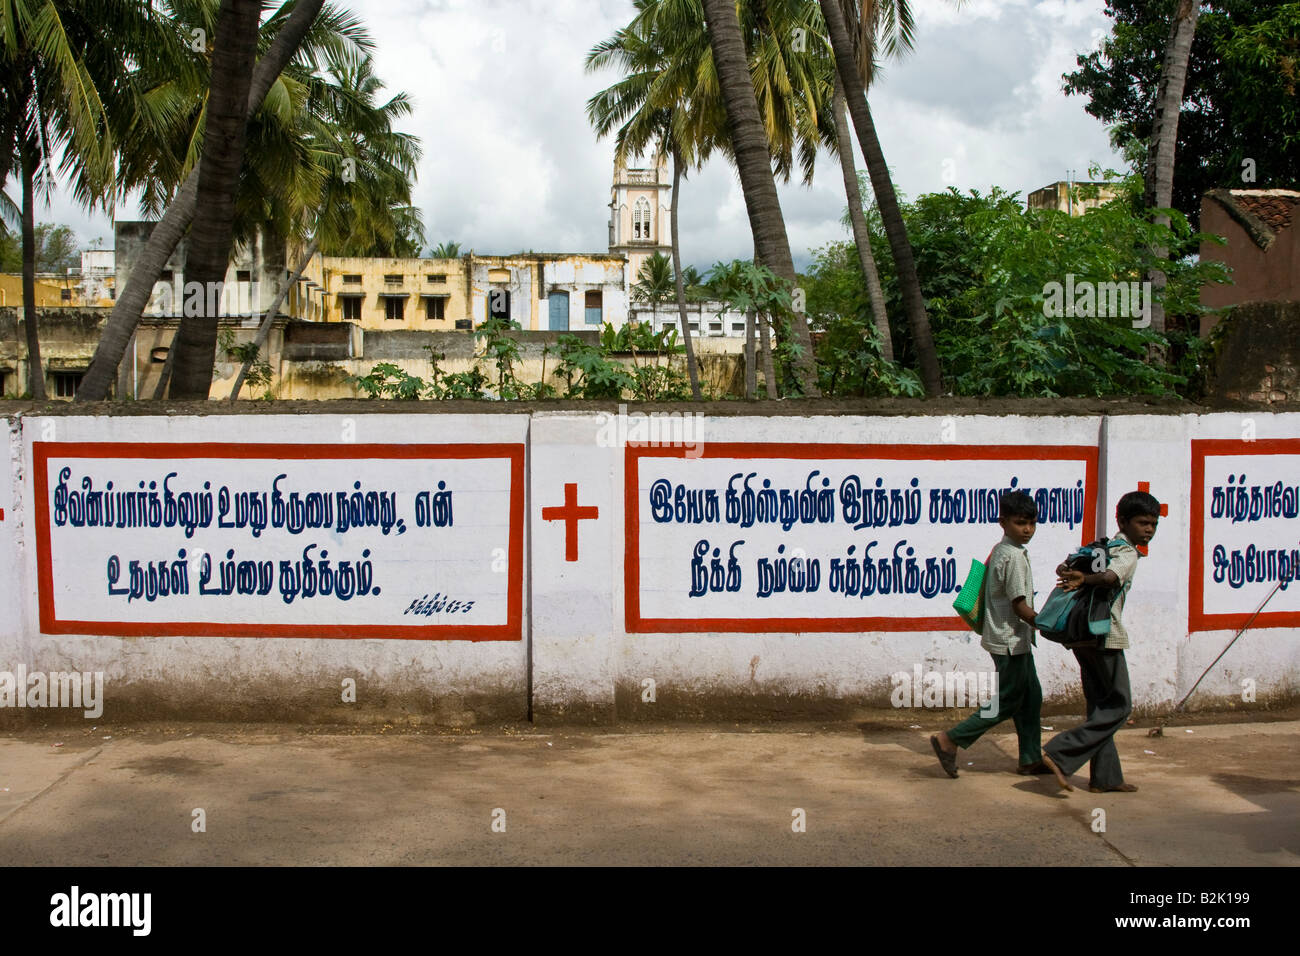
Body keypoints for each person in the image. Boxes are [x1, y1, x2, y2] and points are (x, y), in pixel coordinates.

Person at [1040, 490, 1160, 794]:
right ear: (1123, 521)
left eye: (1153, 524)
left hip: (1082, 637)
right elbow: (1109, 578)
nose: (1149, 529)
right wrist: (1086, 580)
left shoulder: (1100, 546)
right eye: (1143, 522)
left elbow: (1062, 567)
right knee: (1119, 706)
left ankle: (1105, 777)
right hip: (1106, 636)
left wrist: (1074, 574)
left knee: (1099, 706)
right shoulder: (1128, 552)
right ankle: (1059, 752)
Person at [931, 491, 1049, 778]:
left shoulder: (1003, 549)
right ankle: (950, 739)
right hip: (1009, 641)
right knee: (1009, 700)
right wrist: (1046, 623)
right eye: (1021, 523)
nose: (1028, 530)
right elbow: (1019, 604)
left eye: (1032, 523)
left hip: (1009, 638)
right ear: (1003, 522)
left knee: (1031, 695)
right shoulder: (1012, 557)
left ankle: (1030, 757)